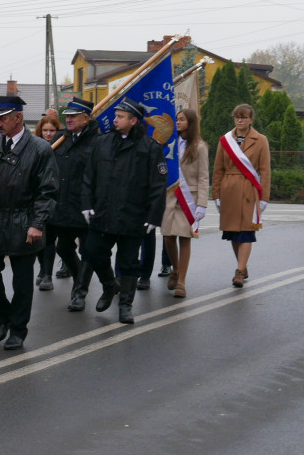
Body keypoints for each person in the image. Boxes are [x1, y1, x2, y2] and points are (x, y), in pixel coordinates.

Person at [0, 95, 57, 350]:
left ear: (17, 118)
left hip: (24, 221)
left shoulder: (40, 149)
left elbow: (48, 191)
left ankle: (18, 330)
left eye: (2, 119)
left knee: (21, 281)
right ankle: (4, 318)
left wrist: (37, 223)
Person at [81, 97, 168, 324]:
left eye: (120, 116)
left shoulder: (149, 148)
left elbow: (158, 185)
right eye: (116, 115)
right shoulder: (102, 142)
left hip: (133, 215)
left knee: (129, 261)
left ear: (133, 120)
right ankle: (110, 286)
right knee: (91, 252)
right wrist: (86, 204)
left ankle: (126, 305)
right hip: (103, 212)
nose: (115, 119)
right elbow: (89, 176)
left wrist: (153, 216)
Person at [46, 98, 108, 312]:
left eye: (73, 116)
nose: (68, 119)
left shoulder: (98, 142)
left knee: (90, 251)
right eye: (67, 115)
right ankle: (87, 278)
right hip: (64, 205)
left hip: (88, 207)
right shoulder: (62, 139)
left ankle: (80, 292)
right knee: (63, 247)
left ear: (86, 118)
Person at [212, 103, 271, 288]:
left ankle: (239, 271)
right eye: (237, 117)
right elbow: (218, 169)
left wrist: (264, 198)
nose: (240, 120)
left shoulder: (260, 140)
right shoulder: (225, 140)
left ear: (251, 119)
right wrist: (217, 194)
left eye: (244, 117)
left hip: (249, 191)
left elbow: (265, 171)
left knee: (246, 232)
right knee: (233, 233)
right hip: (228, 191)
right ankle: (242, 266)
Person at [161, 109, 208, 298]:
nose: (178, 122)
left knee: (184, 238)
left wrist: (202, 204)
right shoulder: (170, 143)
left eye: (182, 119)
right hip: (170, 196)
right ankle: (175, 268)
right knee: (168, 237)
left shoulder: (200, 146)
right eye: (177, 119)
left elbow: (204, 177)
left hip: (190, 199)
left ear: (191, 122)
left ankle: (181, 281)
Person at [34, 114, 62, 291]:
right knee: (37, 239)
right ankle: (43, 268)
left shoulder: (61, 147)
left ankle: (47, 275)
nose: (48, 134)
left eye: (52, 130)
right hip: (36, 199)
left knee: (50, 239)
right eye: (45, 130)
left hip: (53, 198)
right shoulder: (35, 147)